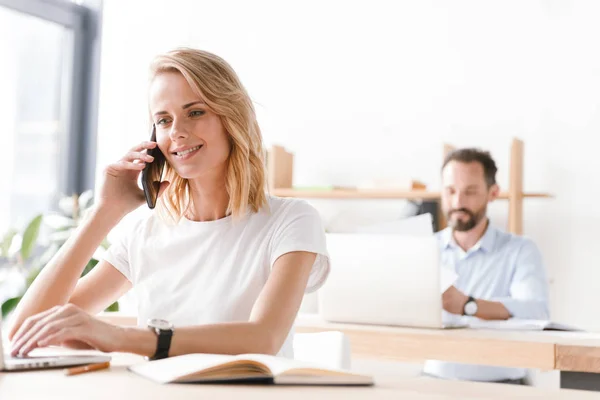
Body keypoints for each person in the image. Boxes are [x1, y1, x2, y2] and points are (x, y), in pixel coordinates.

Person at [7, 48, 330, 361]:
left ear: (232, 117)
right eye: (163, 120)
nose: (177, 132)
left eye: (195, 112)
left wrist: (123, 338)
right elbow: (24, 332)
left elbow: (264, 338)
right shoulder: (145, 234)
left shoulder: (291, 221)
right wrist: (104, 213)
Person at [423, 148, 550, 384]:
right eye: (450, 191)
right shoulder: (424, 248)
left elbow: (536, 313)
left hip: (503, 386)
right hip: (434, 382)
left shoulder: (521, 250)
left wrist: (468, 306)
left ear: (493, 193)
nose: (458, 202)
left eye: (470, 192)